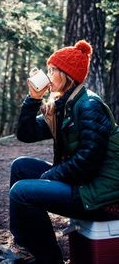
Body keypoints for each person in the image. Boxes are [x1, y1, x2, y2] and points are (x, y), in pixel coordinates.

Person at [9, 40, 119, 264]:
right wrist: (33, 99)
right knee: (21, 167)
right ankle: (26, 246)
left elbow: (89, 159)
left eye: (52, 70)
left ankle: (49, 259)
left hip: (101, 196)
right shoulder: (64, 105)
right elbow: (26, 133)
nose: (48, 75)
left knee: (22, 192)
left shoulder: (89, 106)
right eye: (48, 70)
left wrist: (51, 176)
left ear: (67, 75)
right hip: (84, 182)